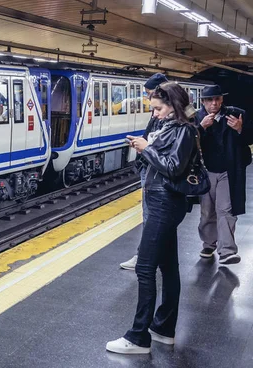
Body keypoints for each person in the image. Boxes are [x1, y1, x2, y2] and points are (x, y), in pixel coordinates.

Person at [106, 82, 196, 354]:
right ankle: (163, 328)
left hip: (164, 205)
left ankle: (138, 337)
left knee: (145, 269)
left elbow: (172, 167)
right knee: (168, 268)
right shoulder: (173, 128)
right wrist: (144, 149)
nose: (154, 114)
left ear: (173, 105)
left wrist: (146, 148)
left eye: (157, 108)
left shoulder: (184, 130)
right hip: (164, 202)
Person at [196, 84, 253, 264]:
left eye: (217, 99)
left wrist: (240, 129)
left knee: (225, 209)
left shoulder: (236, 114)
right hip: (205, 171)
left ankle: (227, 250)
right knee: (207, 211)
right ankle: (208, 243)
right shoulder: (196, 118)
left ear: (222, 99)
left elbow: (250, 138)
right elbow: (187, 143)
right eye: (210, 100)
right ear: (203, 102)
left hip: (229, 170)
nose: (214, 103)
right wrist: (200, 128)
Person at [120, 73, 169, 270]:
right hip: (150, 166)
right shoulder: (161, 115)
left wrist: (145, 147)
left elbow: (166, 152)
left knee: (151, 216)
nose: (149, 101)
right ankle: (153, 256)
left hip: (156, 173)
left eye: (150, 94)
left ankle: (145, 258)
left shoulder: (177, 121)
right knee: (151, 216)